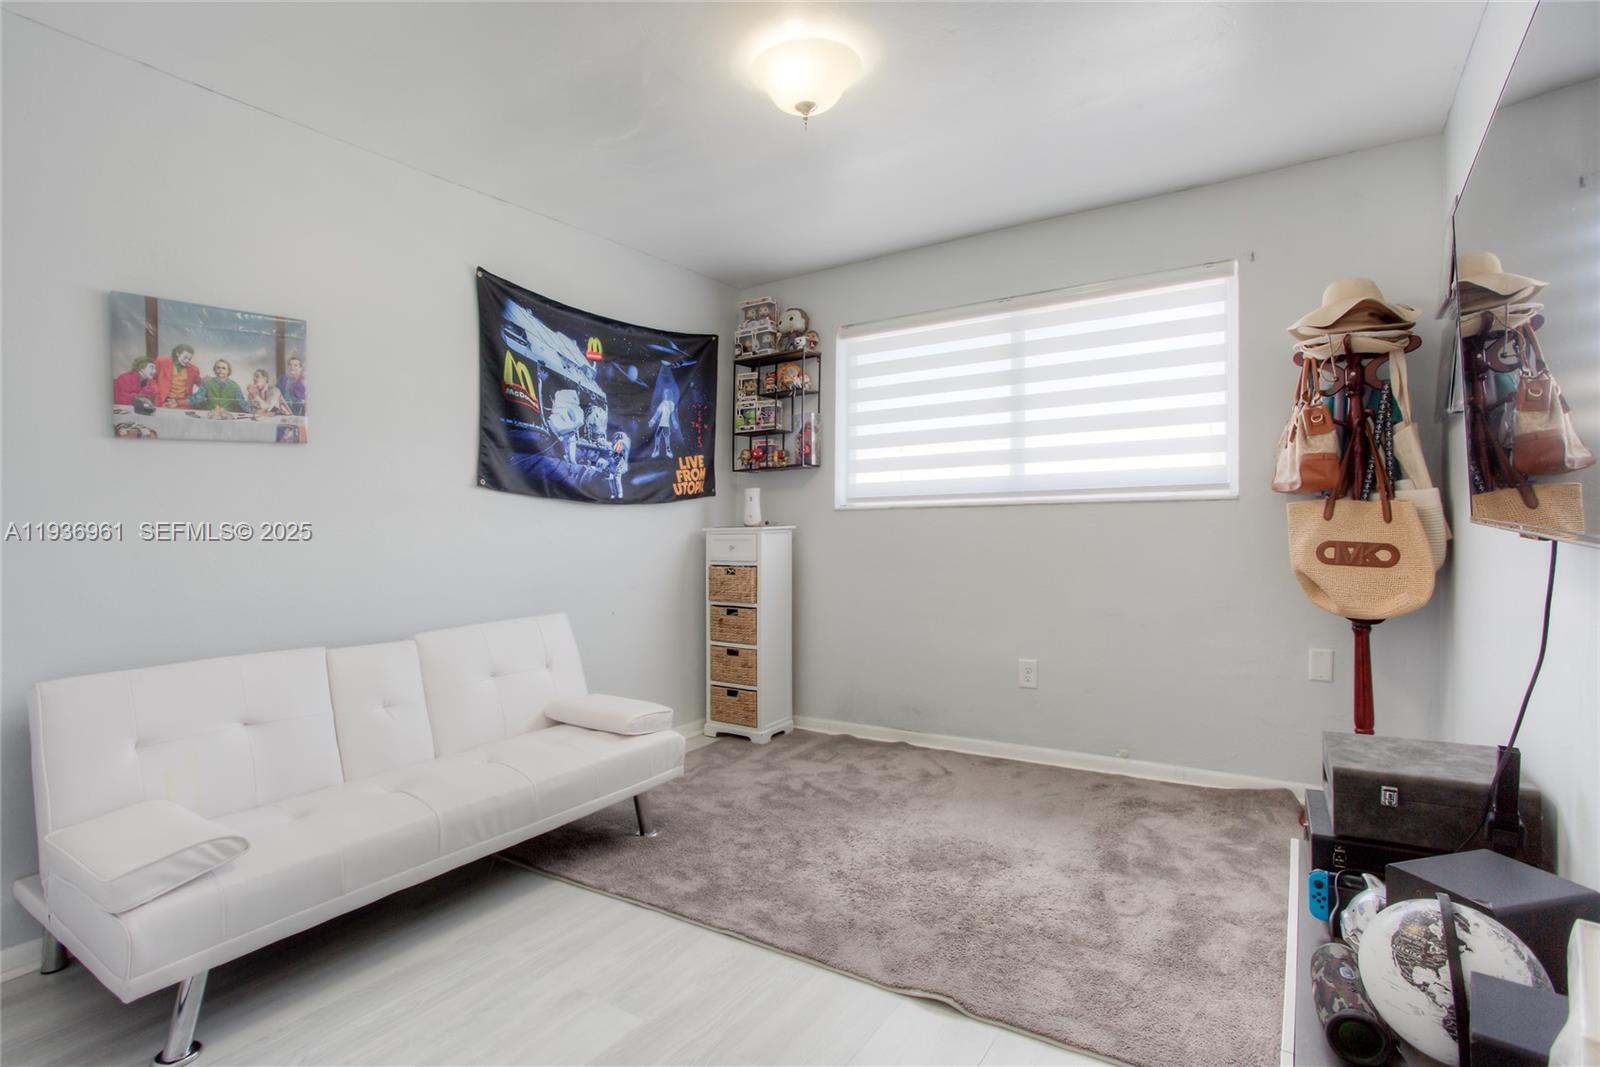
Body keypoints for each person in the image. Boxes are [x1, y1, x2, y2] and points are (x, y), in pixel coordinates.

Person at [154, 344, 204, 408]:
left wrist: (197, 397)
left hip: (182, 403)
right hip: (164, 400)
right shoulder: (162, 363)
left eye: (189, 359)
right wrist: (156, 390)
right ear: (177, 354)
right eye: (185, 357)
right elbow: (152, 378)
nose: (187, 360)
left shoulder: (193, 370)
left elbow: (201, 385)